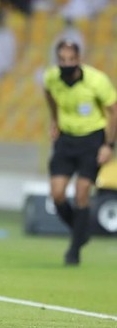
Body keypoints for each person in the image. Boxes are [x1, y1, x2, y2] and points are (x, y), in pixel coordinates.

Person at [44, 40, 117, 265]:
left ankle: (74, 250)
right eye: (62, 60)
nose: (66, 64)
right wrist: (55, 120)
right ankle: (81, 231)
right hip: (66, 139)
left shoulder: (97, 81)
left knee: (81, 191)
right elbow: (48, 95)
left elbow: (114, 111)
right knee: (57, 194)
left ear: (78, 59)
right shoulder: (52, 78)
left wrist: (108, 145)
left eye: (71, 59)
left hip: (92, 140)